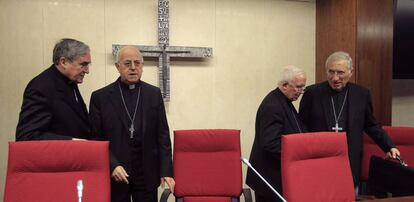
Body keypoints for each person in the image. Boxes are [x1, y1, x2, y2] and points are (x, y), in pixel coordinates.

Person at [299, 51, 400, 187]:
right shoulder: (312, 93)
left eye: (340, 72)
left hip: (349, 160)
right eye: (331, 72)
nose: (335, 78)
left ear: (350, 72)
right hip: (319, 159)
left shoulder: (361, 94)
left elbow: (371, 125)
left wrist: (390, 146)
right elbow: (301, 126)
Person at [89, 46, 174, 202]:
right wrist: (112, 165)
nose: (133, 68)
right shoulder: (100, 98)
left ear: (142, 66)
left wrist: (166, 170)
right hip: (117, 172)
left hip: (146, 172)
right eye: (127, 63)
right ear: (118, 67)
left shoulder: (153, 94)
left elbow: (162, 134)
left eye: (137, 63)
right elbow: (95, 139)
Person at [246, 65, 307, 202]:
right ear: (285, 85)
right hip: (270, 178)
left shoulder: (283, 100)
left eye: (303, 87)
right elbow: (271, 144)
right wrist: (298, 154)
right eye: (298, 87)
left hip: (277, 175)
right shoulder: (273, 105)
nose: (301, 91)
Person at [16, 38, 91, 141]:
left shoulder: (70, 81)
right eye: (83, 65)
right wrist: (72, 142)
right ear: (63, 62)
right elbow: (27, 136)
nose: (87, 71)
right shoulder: (41, 87)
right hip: (58, 156)